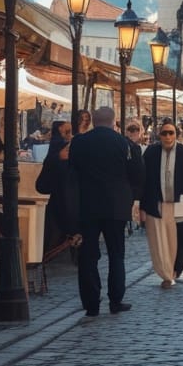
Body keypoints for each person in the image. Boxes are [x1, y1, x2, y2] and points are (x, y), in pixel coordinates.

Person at [69, 106, 142, 316]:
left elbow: (72, 173)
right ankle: (115, 300)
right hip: (116, 206)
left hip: (88, 205)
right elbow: (137, 174)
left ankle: (91, 303)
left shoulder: (80, 142)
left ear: (93, 121)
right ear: (114, 121)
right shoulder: (122, 143)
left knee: (88, 256)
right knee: (116, 254)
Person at [140, 121, 183, 287]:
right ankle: (167, 274)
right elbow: (143, 180)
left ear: (176, 134)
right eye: (164, 133)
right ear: (160, 135)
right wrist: (142, 205)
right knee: (161, 241)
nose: (167, 136)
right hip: (157, 203)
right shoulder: (150, 151)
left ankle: (176, 269)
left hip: (180, 201)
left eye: (171, 133)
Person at [36, 119, 81, 252]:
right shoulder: (59, 144)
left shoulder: (58, 144)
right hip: (63, 193)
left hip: (59, 193)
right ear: (60, 128)